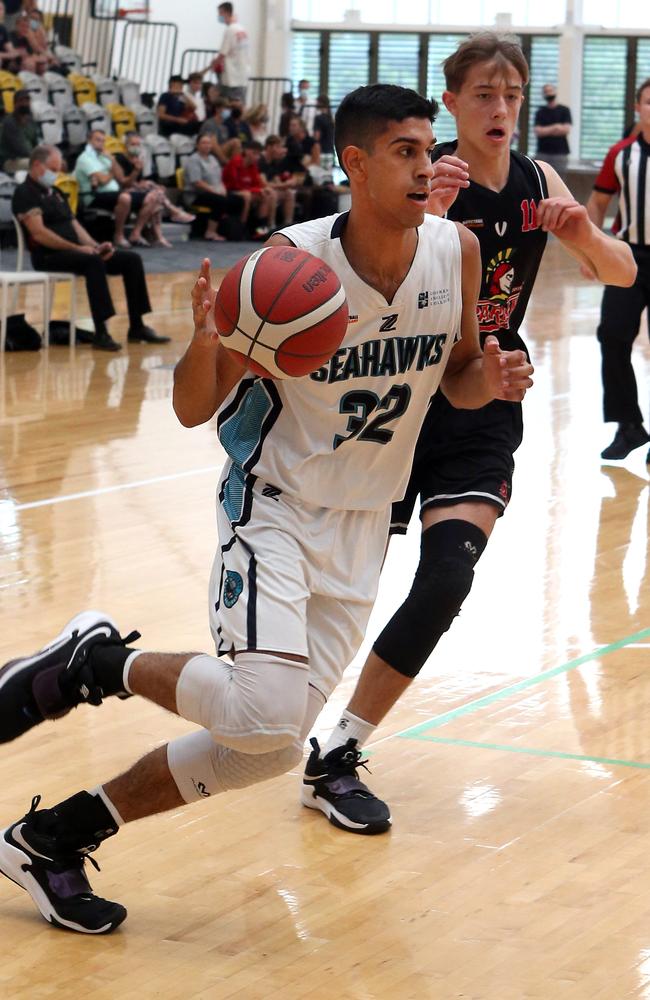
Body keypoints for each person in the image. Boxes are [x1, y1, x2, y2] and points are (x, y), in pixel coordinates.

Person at [0, 83, 534, 934]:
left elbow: (460, 376)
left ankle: (54, 836)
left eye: (429, 149)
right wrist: (209, 342)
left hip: (365, 523)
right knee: (267, 712)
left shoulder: (456, 251)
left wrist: (490, 383)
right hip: (274, 504)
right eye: (404, 150)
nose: (426, 165)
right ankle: (96, 664)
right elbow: (190, 409)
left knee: (271, 749)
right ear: (353, 164)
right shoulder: (292, 265)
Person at [304, 31, 637, 836]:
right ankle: (266, 702)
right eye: (484, 95)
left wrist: (582, 235)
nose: (501, 110)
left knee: (449, 574)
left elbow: (623, 271)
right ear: (450, 103)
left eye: (512, 96)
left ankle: (339, 752)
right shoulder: (424, 176)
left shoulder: (536, 179)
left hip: (486, 396)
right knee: (339, 592)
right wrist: (430, 219)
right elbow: (367, 275)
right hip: (398, 397)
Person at [13, 144, 170, 352]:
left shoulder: (56, 193)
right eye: (53, 169)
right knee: (93, 262)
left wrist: (96, 246)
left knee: (131, 259)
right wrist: (79, 249)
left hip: (75, 251)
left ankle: (137, 326)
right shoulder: (25, 193)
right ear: (36, 165)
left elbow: (75, 226)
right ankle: (101, 331)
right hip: (48, 256)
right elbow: (39, 233)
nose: (57, 173)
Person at [585, 77, 650, 462]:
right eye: (648, 101)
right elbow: (595, 204)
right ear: (638, 108)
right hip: (630, 258)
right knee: (612, 335)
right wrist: (591, 250)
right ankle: (629, 426)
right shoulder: (621, 154)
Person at [113, 131, 195, 247]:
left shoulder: (138, 158)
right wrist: (136, 171)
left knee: (157, 192)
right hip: (123, 192)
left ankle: (148, 234)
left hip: (136, 190)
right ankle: (172, 213)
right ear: (126, 145)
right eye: (133, 144)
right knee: (156, 196)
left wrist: (147, 184)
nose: (135, 147)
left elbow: (137, 182)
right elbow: (124, 183)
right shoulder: (119, 158)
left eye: (138, 144)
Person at [74, 128, 135, 248]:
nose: (101, 143)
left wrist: (112, 159)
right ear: (89, 140)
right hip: (94, 196)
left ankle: (140, 233)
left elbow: (121, 177)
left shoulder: (103, 156)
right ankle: (119, 236)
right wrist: (111, 172)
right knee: (125, 197)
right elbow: (103, 180)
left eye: (103, 141)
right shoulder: (85, 158)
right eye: (97, 140)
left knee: (152, 196)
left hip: (113, 192)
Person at [183, 132, 244, 241]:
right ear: (197, 145)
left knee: (238, 200)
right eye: (203, 143)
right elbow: (197, 182)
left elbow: (219, 179)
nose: (207, 145)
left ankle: (232, 229)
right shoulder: (193, 159)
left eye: (209, 143)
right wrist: (214, 191)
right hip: (196, 194)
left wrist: (223, 189)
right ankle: (210, 232)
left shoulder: (213, 159)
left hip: (214, 191)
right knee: (219, 200)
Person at [222, 139, 277, 235]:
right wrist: (256, 190)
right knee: (247, 196)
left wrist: (261, 190)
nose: (257, 157)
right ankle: (242, 226)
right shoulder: (235, 162)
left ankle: (262, 228)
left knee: (267, 195)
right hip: (230, 190)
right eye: (254, 153)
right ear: (247, 151)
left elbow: (256, 183)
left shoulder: (253, 166)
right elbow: (235, 184)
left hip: (245, 190)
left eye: (258, 154)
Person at [534, 83, 572, 178]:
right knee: (541, 180)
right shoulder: (540, 112)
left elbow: (566, 130)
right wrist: (556, 127)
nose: (549, 93)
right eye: (546, 92)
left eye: (550, 91)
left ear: (555, 91)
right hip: (542, 153)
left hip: (560, 154)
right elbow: (538, 132)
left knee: (559, 182)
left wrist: (546, 130)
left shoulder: (565, 110)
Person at [214, 2, 249, 104]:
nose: (218, 16)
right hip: (242, 74)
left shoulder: (230, 30)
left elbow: (223, 53)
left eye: (220, 13)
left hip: (232, 75)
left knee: (233, 103)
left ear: (225, 13)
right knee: (239, 101)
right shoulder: (242, 29)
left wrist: (213, 65)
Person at [0, 88, 38, 173]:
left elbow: (36, 143)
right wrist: (39, 158)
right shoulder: (9, 122)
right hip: (10, 161)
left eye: (27, 100)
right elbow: (20, 149)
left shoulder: (31, 121)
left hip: (29, 157)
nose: (25, 103)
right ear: (15, 104)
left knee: (58, 162)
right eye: (21, 101)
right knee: (37, 164)